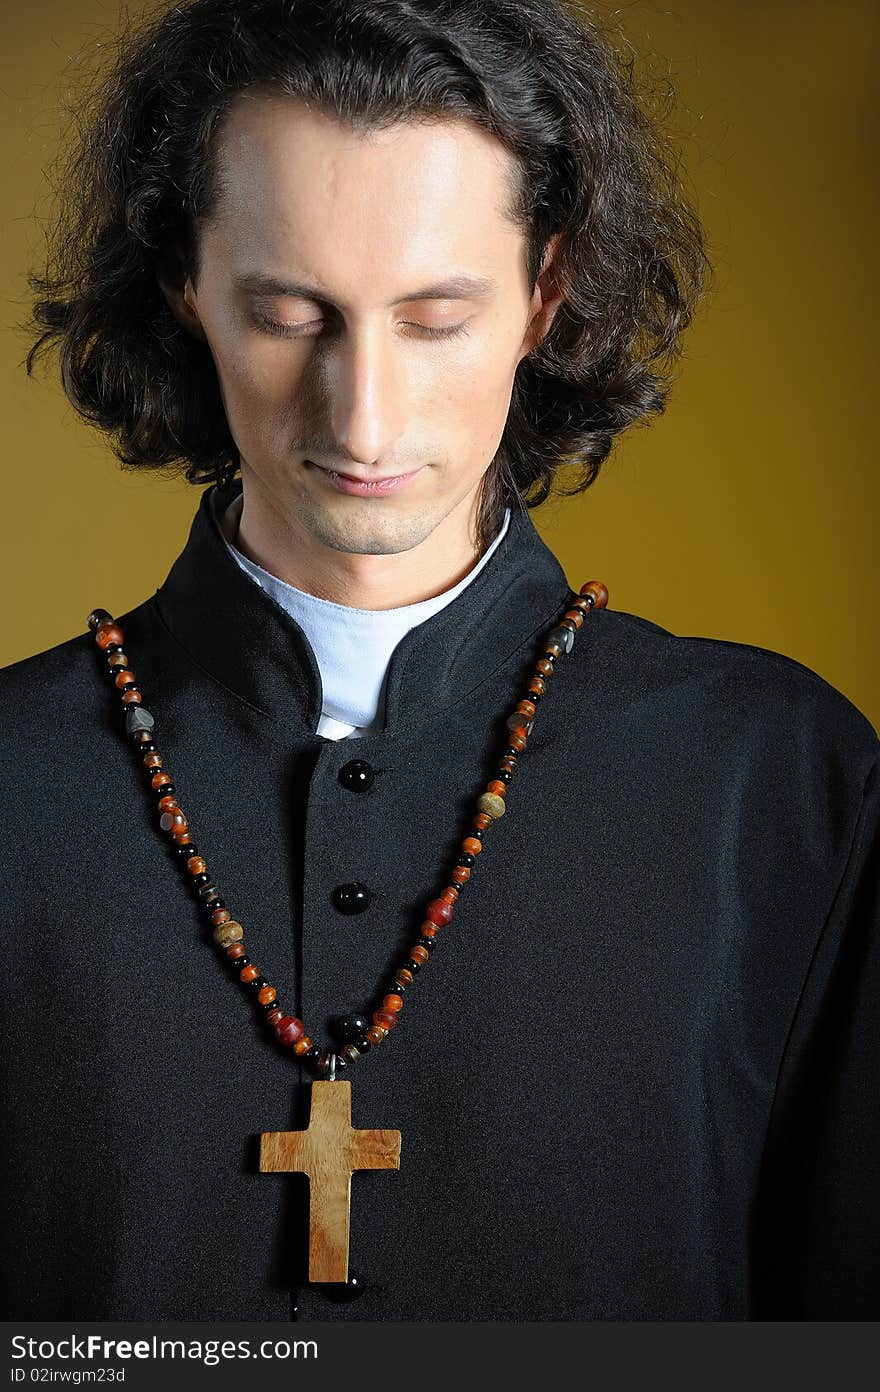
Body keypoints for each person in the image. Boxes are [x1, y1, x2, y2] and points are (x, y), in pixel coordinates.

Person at [1, 0, 877, 1323]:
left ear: (547, 291)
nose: (363, 414)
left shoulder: (784, 782)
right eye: (291, 313)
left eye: (436, 316)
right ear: (185, 284)